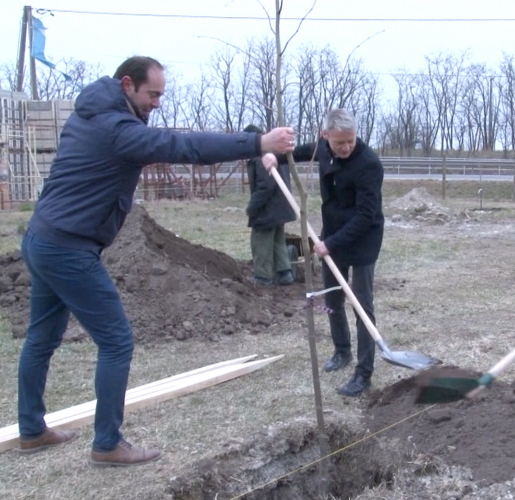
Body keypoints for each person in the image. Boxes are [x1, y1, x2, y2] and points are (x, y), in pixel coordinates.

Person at [17, 56, 295, 466]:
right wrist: (257, 143)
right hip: (69, 249)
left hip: (42, 238)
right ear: (127, 84)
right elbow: (182, 146)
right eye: (153, 94)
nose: (158, 103)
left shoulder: (91, 113)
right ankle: (107, 443)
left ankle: (31, 430)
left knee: (41, 338)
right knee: (116, 341)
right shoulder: (116, 129)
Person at [262, 108, 384, 397]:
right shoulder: (323, 150)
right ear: (325, 136)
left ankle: (364, 373)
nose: (345, 147)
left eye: (350, 141)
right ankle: (342, 351)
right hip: (332, 235)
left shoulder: (369, 164)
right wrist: (274, 156)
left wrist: (331, 243)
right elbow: (297, 152)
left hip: (362, 239)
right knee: (332, 299)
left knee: (362, 305)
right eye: (339, 142)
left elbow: (366, 216)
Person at [243, 124, 296, 286]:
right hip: (281, 208)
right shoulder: (274, 153)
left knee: (261, 242)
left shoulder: (261, 157)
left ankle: (263, 277)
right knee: (277, 240)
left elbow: (265, 186)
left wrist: (252, 208)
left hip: (268, 210)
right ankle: (284, 273)